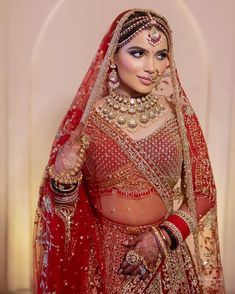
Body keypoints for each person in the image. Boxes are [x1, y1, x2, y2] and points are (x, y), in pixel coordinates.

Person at [33, 9, 225, 293]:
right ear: (113, 56)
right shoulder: (88, 121)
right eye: (138, 53)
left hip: (165, 257)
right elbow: (65, 213)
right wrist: (62, 179)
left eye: (160, 55)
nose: (152, 67)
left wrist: (163, 238)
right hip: (104, 260)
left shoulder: (178, 118)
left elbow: (204, 191)